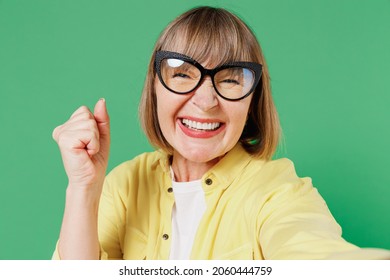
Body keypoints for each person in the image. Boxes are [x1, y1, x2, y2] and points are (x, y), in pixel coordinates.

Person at [52, 6, 390, 260]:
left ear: (252, 99)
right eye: (182, 74)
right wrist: (83, 187)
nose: (205, 100)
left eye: (230, 79)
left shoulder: (278, 192)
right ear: (155, 87)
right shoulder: (126, 184)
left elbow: (323, 260)